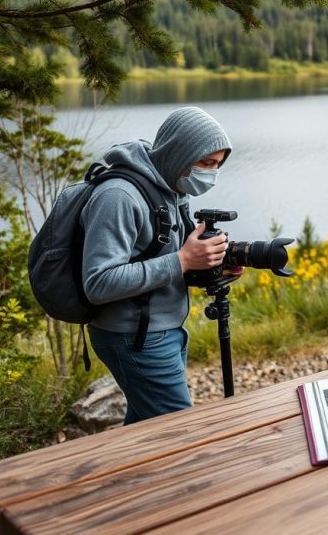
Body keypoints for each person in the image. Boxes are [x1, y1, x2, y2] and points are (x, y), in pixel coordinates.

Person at [82, 106, 232, 424]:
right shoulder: (118, 196)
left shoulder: (170, 188)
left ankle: (122, 476)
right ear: (179, 153)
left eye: (217, 165)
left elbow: (162, 261)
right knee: (179, 436)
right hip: (134, 337)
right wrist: (184, 259)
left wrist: (209, 265)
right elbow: (98, 282)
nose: (212, 174)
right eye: (205, 163)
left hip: (162, 329)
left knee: (144, 430)